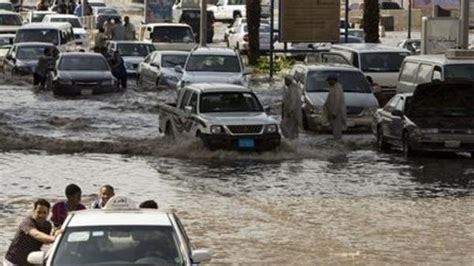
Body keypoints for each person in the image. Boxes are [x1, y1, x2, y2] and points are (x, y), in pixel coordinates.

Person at [4, 199, 60, 266]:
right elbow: (36, 234)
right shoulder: (28, 222)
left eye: (44, 213)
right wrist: (54, 238)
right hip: (13, 262)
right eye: (38, 212)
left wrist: (56, 234)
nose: (41, 215)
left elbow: (45, 241)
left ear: (48, 213)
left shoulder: (47, 225)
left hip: (31, 261)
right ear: (34, 211)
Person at [323, 74, 347, 140]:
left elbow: (337, 100)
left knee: (337, 130)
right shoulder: (333, 87)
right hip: (334, 112)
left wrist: (334, 112)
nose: (328, 82)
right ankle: (336, 141)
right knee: (335, 129)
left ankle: (338, 142)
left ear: (333, 80)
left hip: (337, 113)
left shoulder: (338, 88)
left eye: (329, 81)